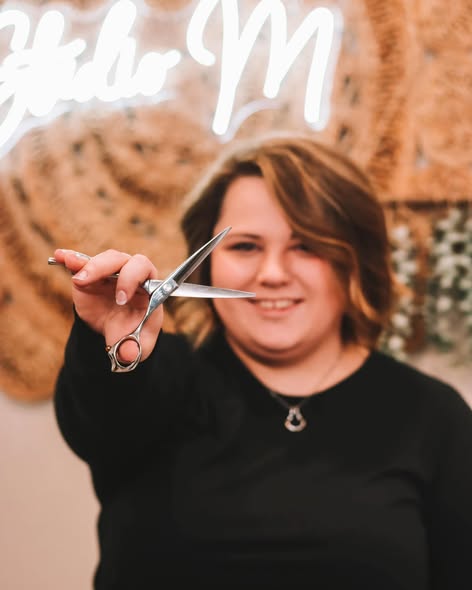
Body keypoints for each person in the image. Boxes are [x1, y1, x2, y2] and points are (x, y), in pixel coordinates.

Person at [52, 133, 472, 589]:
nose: (272, 274)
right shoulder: (152, 376)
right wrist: (105, 339)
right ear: (206, 263)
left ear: (356, 262)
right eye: (245, 246)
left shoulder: (433, 416)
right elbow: (96, 418)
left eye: (306, 245)